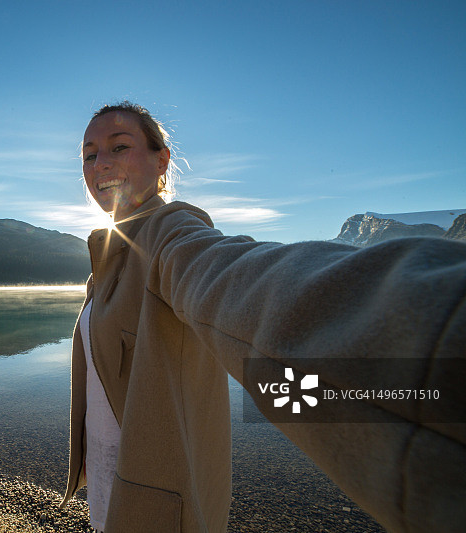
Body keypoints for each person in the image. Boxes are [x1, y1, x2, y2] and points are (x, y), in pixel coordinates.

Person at [59, 101, 466, 532]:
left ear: (162, 160)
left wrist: (431, 324)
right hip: (109, 490)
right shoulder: (108, 257)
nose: (101, 163)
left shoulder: (170, 233)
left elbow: (235, 278)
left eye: (119, 147)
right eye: (89, 154)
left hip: (157, 504)